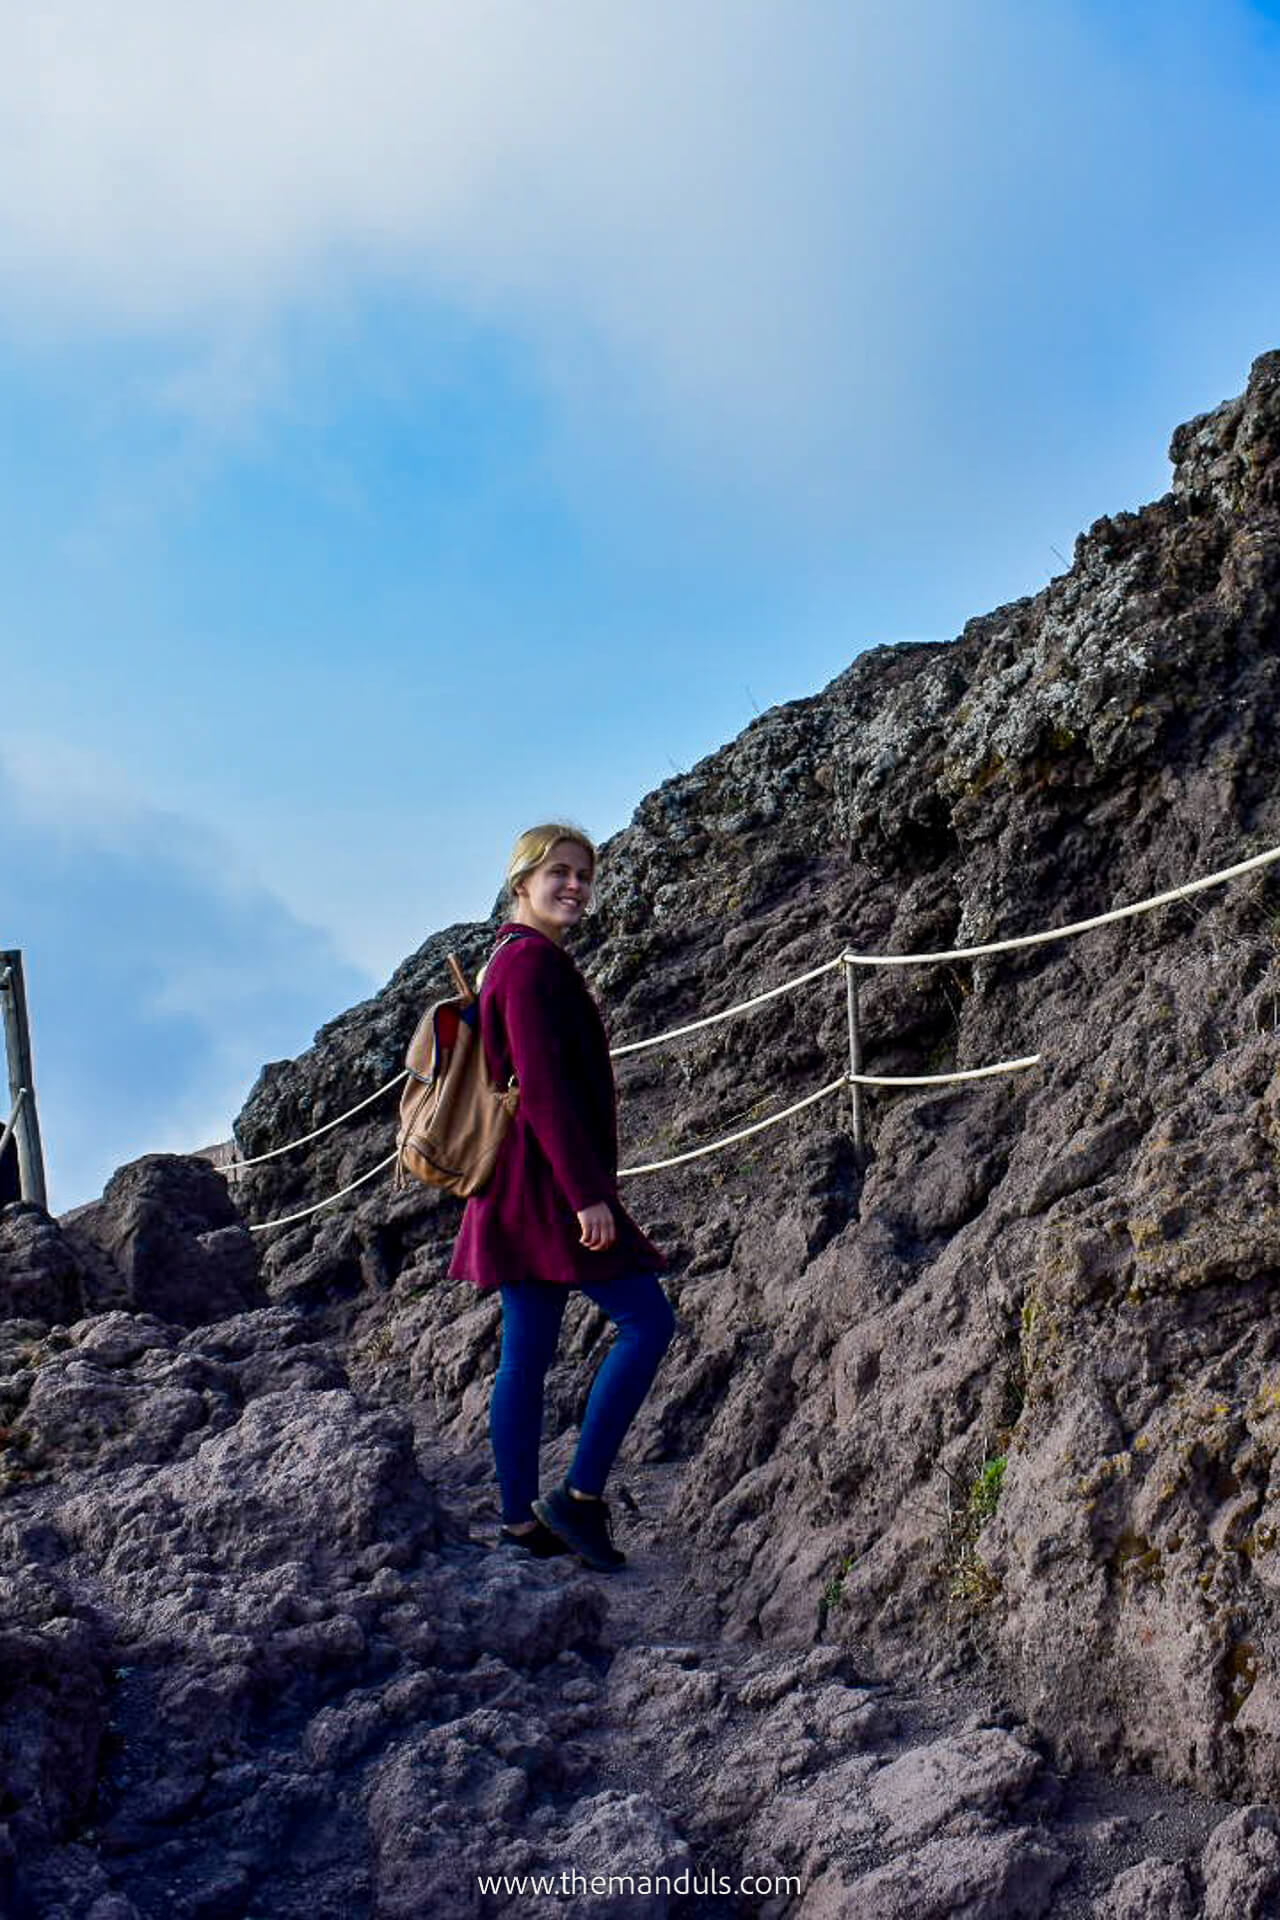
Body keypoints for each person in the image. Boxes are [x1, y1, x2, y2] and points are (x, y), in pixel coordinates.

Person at [448, 823, 675, 1572]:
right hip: (548, 1188)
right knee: (646, 1321)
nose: (575, 886)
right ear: (522, 883)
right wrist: (588, 1196)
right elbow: (543, 1092)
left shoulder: (506, 961)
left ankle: (520, 1521)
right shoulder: (533, 966)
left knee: (526, 1355)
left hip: (515, 1184)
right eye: (559, 874)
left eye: (584, 874)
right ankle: (577, 1500)